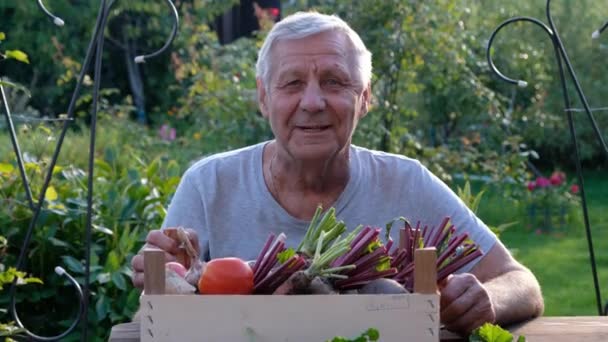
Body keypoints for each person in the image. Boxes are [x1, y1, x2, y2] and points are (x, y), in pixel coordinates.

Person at [131, 11, 544, 334]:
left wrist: (486, 298)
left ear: (364, 99)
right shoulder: (209, 184)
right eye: (292, 83)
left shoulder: (406, 182)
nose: (312, 102)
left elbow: (521, 282)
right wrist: (162, 277)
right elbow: (159, 310)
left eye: (333, 82)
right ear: (263, 98)